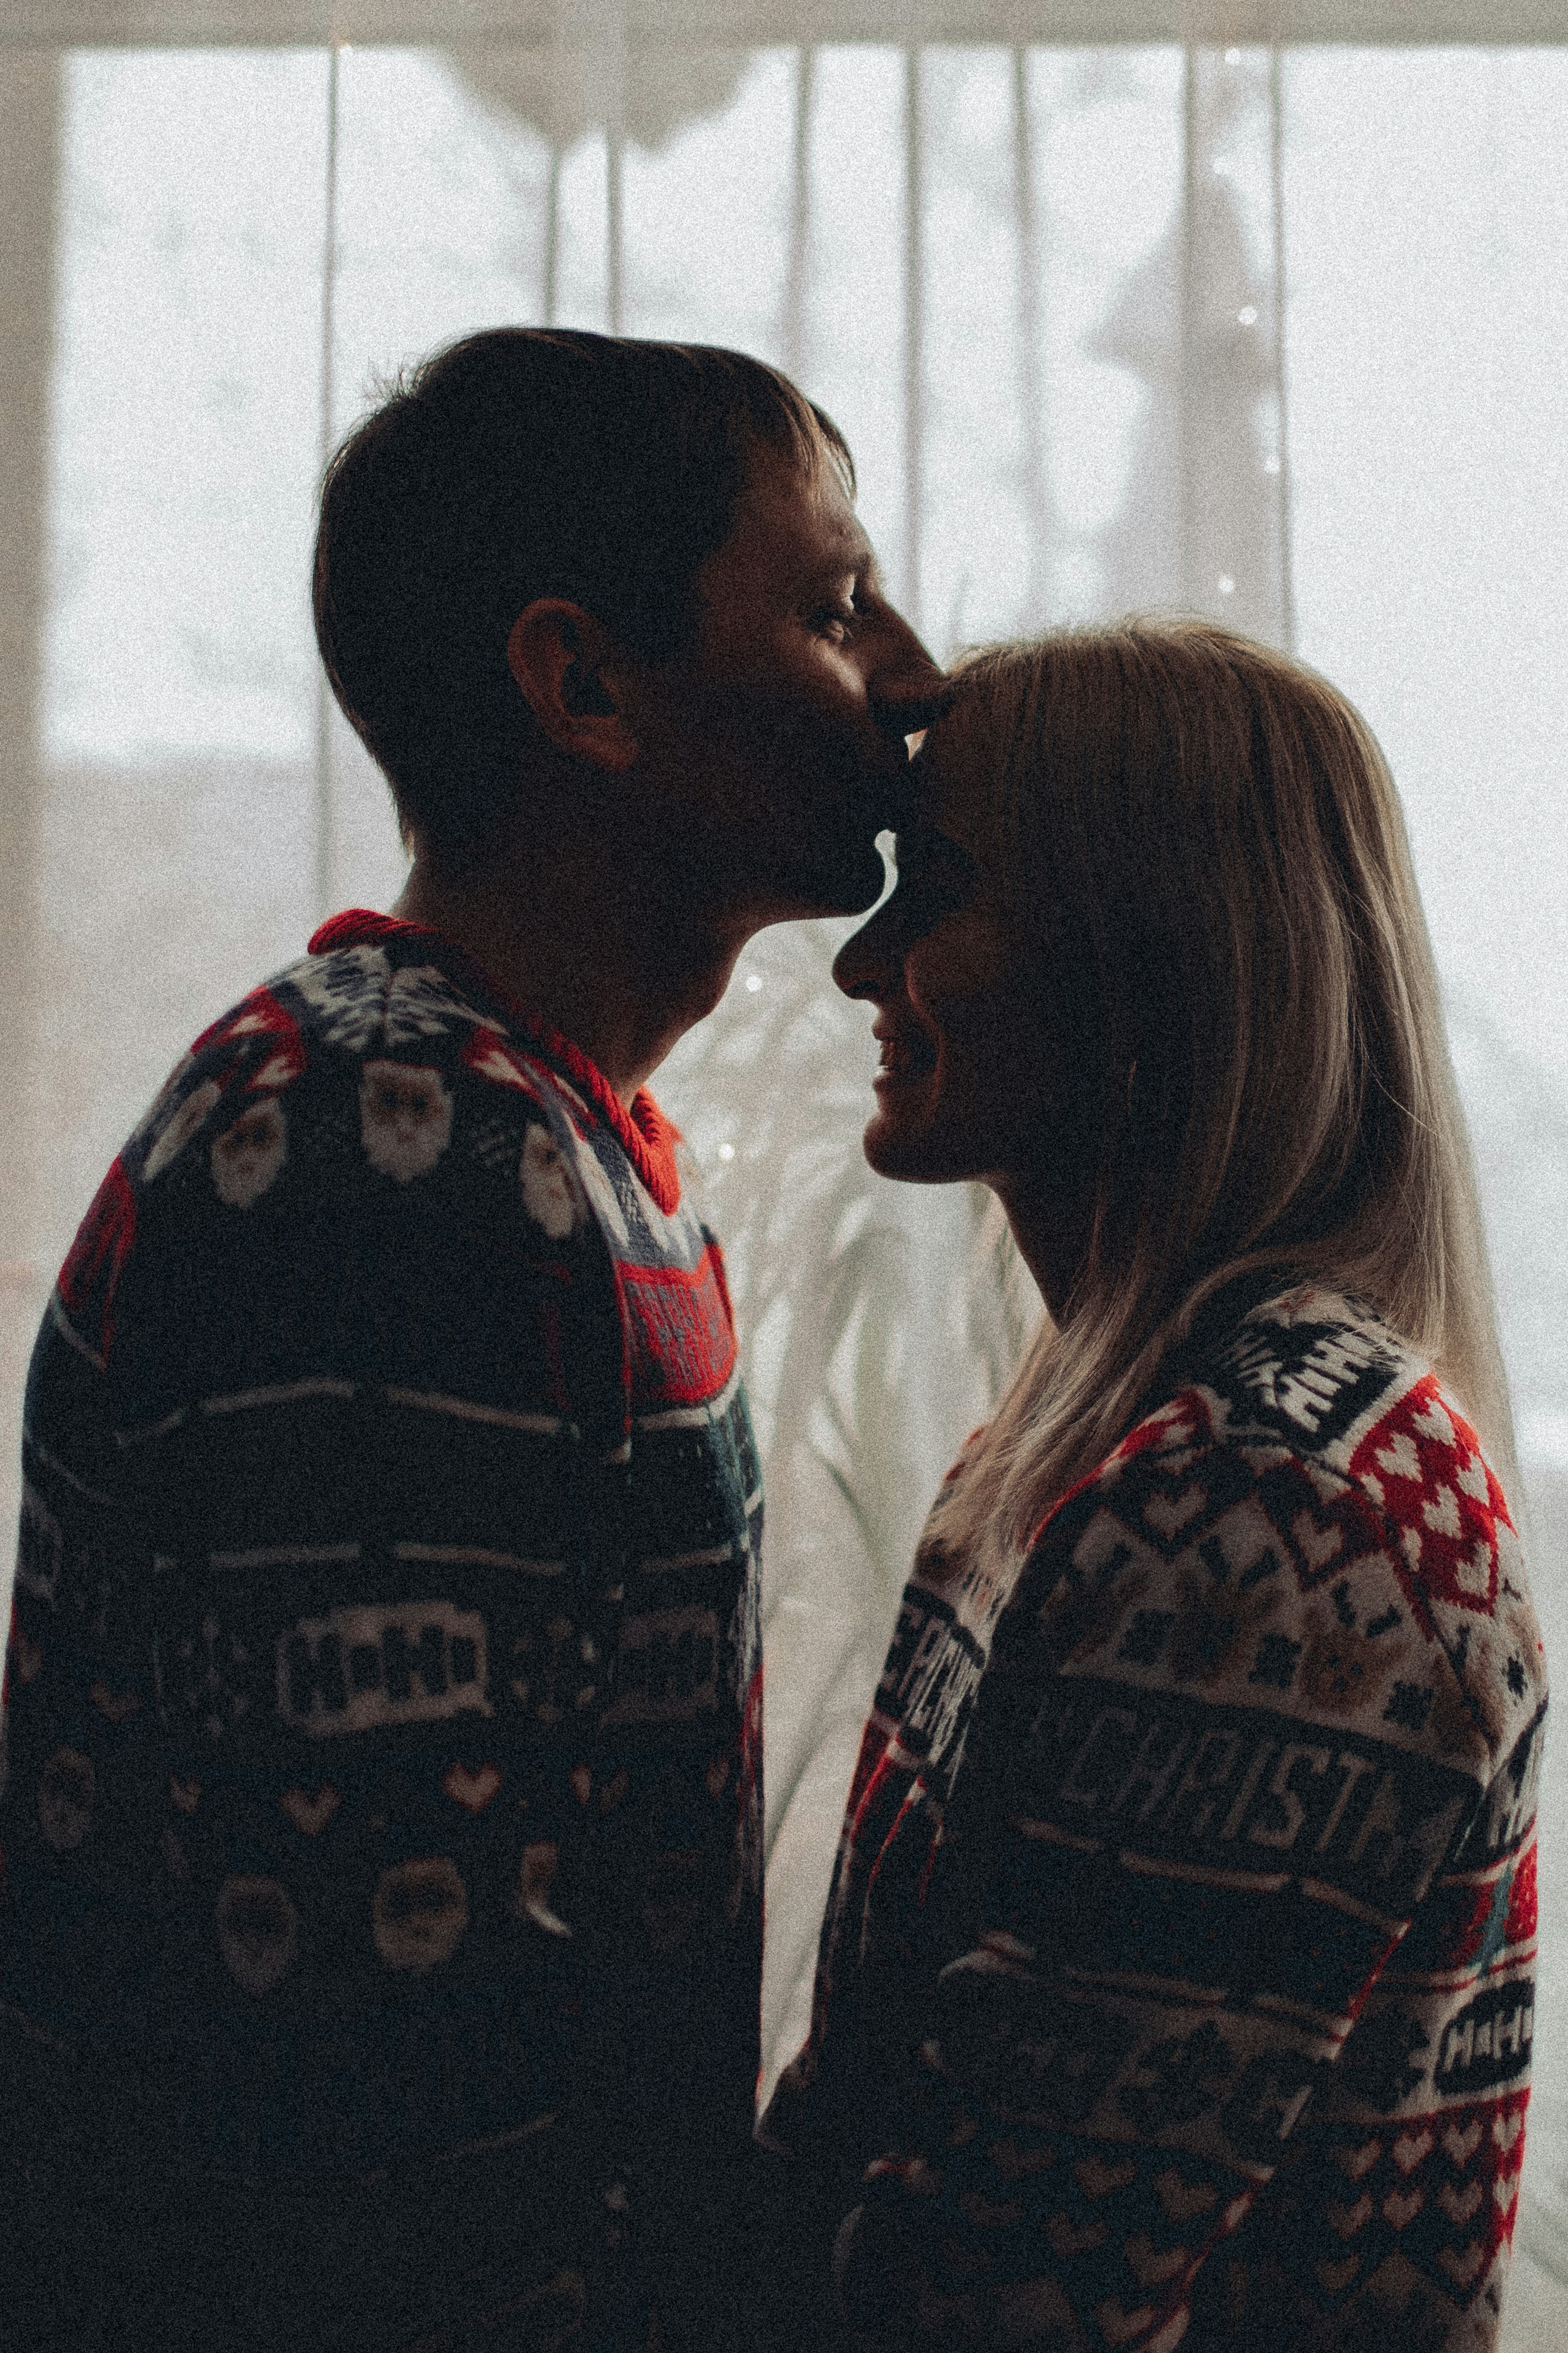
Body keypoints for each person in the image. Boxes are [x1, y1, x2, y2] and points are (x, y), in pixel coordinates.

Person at [0, 327, 943, 2352]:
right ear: (583, 685)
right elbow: (368, 2084)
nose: (918, 676)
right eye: (833, 602)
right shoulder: (383, 1170)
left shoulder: (516, 1129)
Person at [763, 622, 1546, 2352]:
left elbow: (1007, 2297)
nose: (859, 961)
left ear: (1150, 959)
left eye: (938, 887)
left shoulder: (1268, 1510)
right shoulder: (1107, 1431)